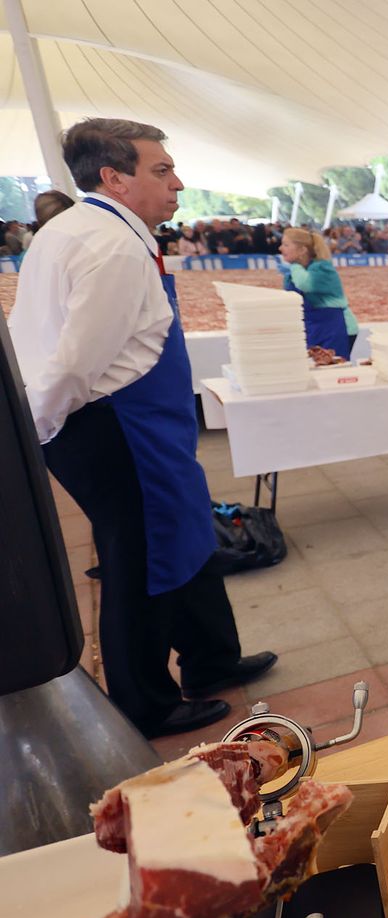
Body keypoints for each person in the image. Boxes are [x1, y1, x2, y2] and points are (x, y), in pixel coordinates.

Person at [8, 118, 277, 737]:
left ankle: (212, 659)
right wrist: (40, 431)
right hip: (114, 425)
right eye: (161, 170)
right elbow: (75, 363)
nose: (177, 183)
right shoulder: (111, 248)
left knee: (183, 532)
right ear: (114, 178)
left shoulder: (80, 228)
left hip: (127, 420)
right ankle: (144, 703)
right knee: (142, 559)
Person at [279, 227, 358, 359]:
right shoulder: (297, 272)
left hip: (337, 327)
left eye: (286, 245)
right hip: (314, 327)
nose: (281, 248)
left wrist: (294, 266)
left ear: (302, 250)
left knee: (332, 369)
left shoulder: (322, 268)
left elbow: (305, 284)